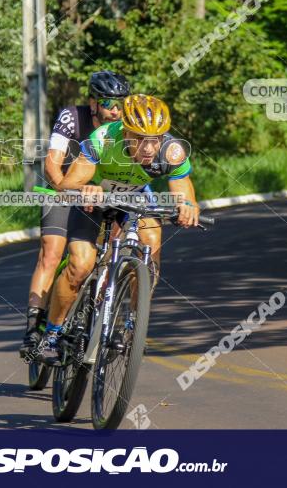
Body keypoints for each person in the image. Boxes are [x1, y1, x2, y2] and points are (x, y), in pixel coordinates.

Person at [40, 94, 201, 365]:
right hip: (95, 198)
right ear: (125, 133)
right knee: (81, 265)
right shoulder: (103, 139)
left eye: (155, 139)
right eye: (139, 138)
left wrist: (187, 206)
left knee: (151, 241)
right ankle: (51, 334)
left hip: (135, 197)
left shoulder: (171, 150)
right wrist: (84, 188)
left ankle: (132, 325)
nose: (149, 148)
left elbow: (183, 189)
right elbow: (67, 185)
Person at [19, 70, 130, 359]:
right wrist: (65, 190)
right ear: (93, 103)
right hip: (64, 189)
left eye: (120, 104)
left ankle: (93, 317)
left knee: (107, 257)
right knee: (52, 253)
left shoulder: (125, 127)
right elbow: (52, 164)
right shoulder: (72, 117)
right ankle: (34, 330)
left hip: (104, 196)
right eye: (108, 103)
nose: (115, 110)